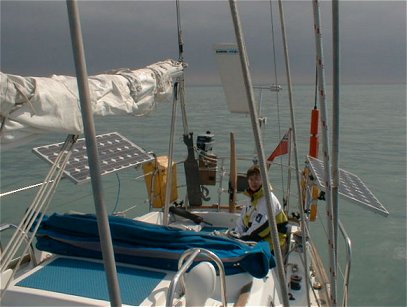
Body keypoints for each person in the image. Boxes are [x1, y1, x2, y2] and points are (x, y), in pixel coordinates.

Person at [235, 164, 288, 252]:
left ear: (263, 180)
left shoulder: (268, 200)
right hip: (256, 235)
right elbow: (242, 219)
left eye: (257, 179)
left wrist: (241, 239)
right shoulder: (252, 197)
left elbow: (259, 229)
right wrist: (237, 233)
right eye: (251, 179)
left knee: (242, 253)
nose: (253, 182)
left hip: (272, 240)